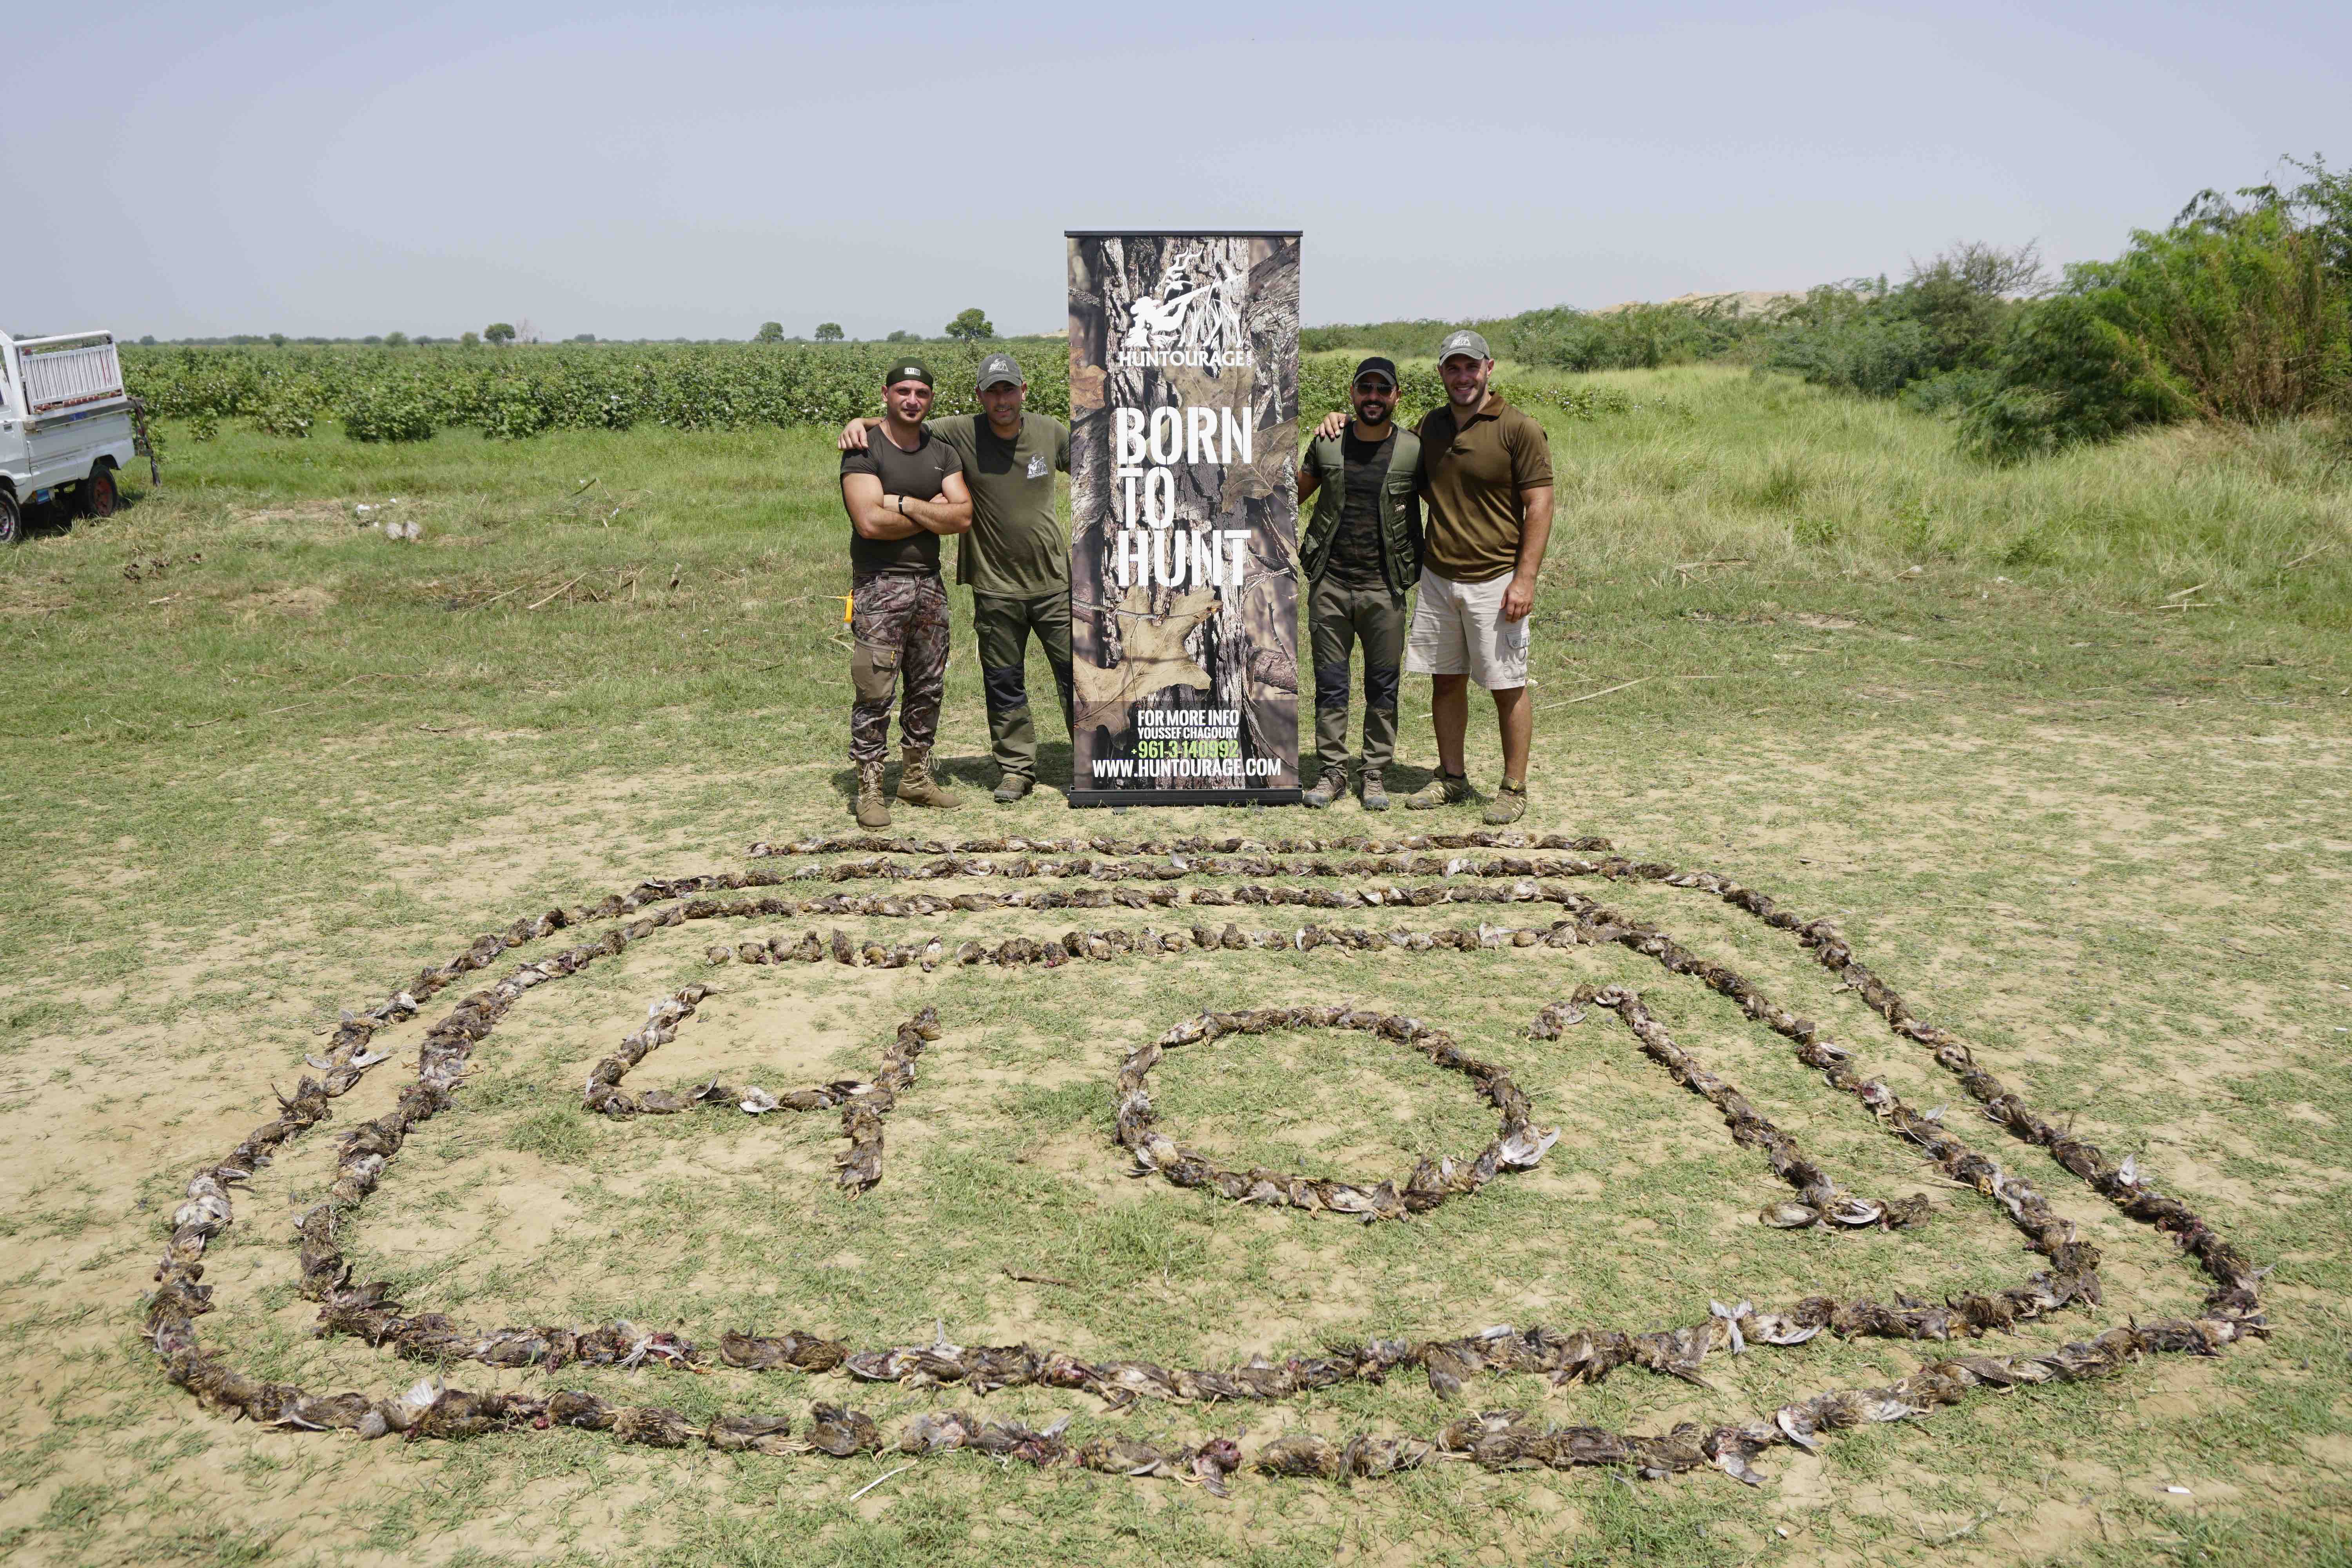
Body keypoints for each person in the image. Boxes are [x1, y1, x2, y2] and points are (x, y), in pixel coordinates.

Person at [841, 351, 1072, 803]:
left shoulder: (1052, 432)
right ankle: (1016, 768)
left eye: (1010, 389)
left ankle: (1091, 760)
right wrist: (859, 421)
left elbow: (1098, 463)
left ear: (1024, 391)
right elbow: (905, 417)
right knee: (1004, 681)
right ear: (980, 396)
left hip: (1057, 582)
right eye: (993, 391)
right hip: (994, 584)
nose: (1002, 399)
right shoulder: (959, 433)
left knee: (1075, 677)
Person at [1397, 329, 1554, 824]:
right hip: (1440, 576)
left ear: (1490, 368)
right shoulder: (1432, 426)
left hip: (1495, 580)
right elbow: (1424, 487)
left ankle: (1513, 787)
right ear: (1441, 373)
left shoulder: (1518, 428)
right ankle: (1452, 778)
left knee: (1507, 684)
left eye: (1471, 366)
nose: (1463, 376)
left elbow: (1540, 503)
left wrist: (1524, 578)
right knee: (1446, 682)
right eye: (1453, 367)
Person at [838, 359, 973, 829]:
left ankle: (915, 777)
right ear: (886, 394)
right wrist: (930, 510)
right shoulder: (864, 448)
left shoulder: (942, 451)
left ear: (930, 399)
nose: (912, 400)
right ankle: (870, 788)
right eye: (903, 391)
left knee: (928, 685)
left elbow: (962, 518)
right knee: (875, 689)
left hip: (930, 586)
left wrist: (901, 502)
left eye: (921, 392)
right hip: (879, 586)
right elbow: (870, 523)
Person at [1295, 356, 1421, 810]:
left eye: (1382, 390)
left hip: (1385, 587)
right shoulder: (1328, 442)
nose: (1373, 397)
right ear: (1352, 394)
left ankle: (1373, 773)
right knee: (1331, 683)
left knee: (1382, 685)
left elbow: (1447, 503)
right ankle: (1332, 773)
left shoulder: (1412, 448)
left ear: (1396, 396)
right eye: (1364, 389)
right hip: (1330, 583)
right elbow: (1292, 496)